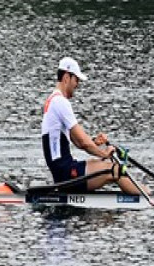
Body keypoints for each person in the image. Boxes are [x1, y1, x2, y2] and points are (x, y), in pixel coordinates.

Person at [40, 57, 142, 194]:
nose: (78, 84)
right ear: (66, 77)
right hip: (68, 175)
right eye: (76, 80)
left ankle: (136, 199)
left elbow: (77, 141)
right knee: (116, 170)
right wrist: (103, 153)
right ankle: (148, 199)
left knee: (108, 166)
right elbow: (83, 143)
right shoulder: (60, 102)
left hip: (64, 172)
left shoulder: (52, 100)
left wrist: (94, 142)